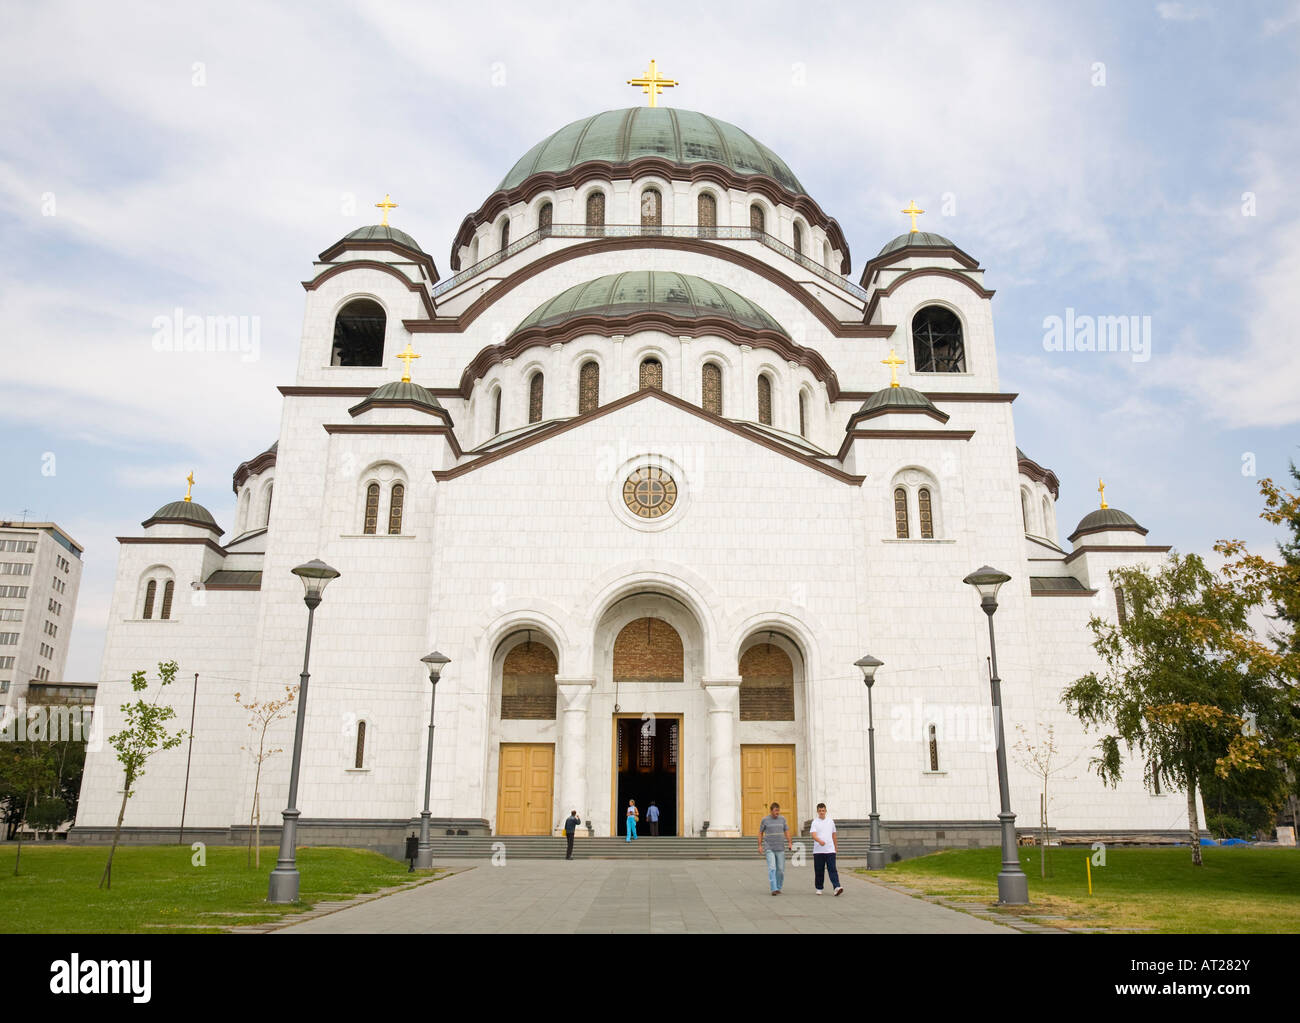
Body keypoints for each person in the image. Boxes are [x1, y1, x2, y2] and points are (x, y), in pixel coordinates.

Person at [809, 802, 843, 895]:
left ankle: (837, 886)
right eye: (820, 811)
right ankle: (819, 888)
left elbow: (834, 835)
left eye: (823, 810)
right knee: (819, 870)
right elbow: (813, 835)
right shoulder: (815, 822)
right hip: (818, 851)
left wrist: (835, 847)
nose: (821, 812)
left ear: (826, 811)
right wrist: (819, 841)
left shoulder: (830, 821)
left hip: (830, 850)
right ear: (817, 811)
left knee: (832, 869)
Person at [758, 801, 791, 895]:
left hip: (780, 848)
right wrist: (760, 845)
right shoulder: (765, 820)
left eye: (778, 811)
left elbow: (787, 831)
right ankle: (774, 888)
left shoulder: (782, 819)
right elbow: (760, 832)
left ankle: (779, 887)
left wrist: (790, 842)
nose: (777, 812)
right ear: (771, 811)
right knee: (772, 868)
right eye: (775, 811)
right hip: (769, 848)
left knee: (780, 869)